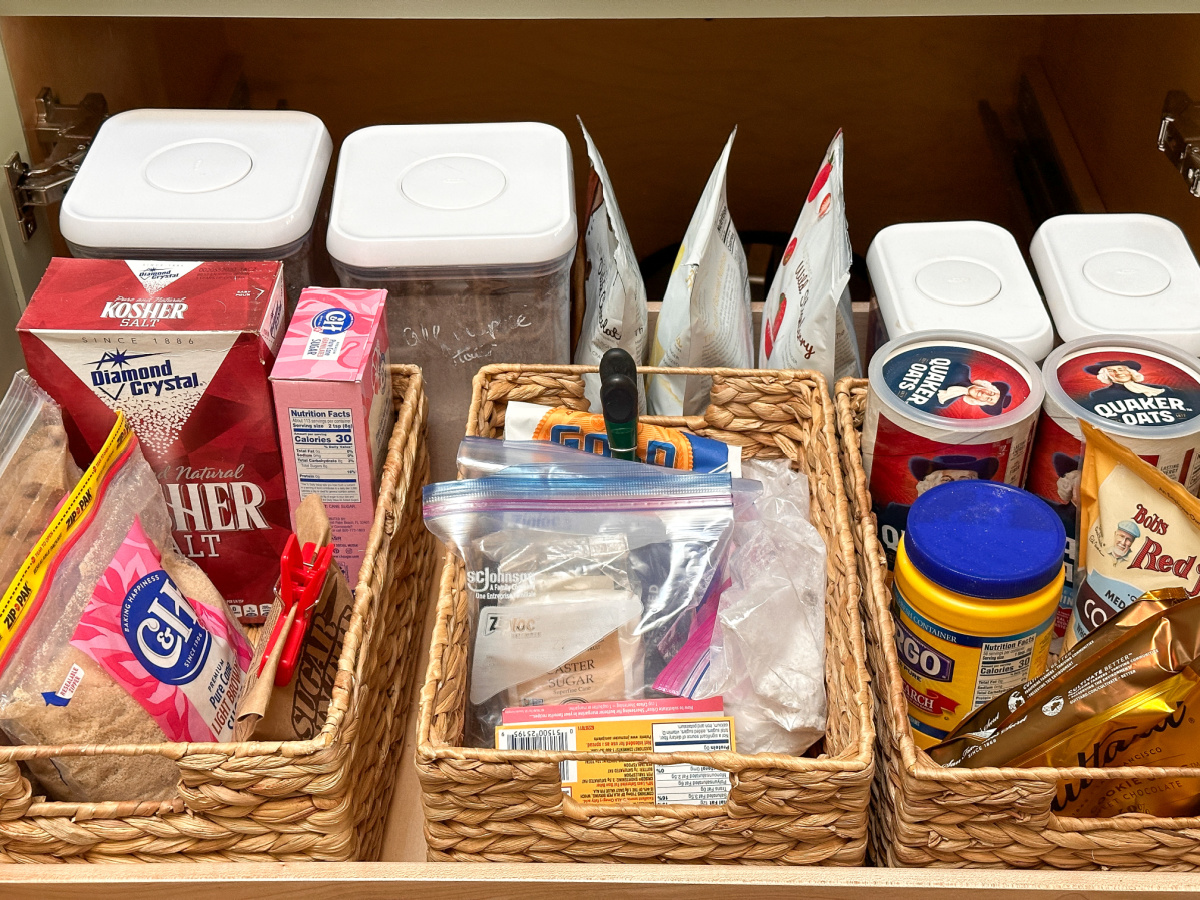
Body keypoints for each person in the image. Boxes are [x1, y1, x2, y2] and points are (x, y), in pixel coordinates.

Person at [927, 359, 1013, 417]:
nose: (984, 394)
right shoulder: (962, 369)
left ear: (981, 403)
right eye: (991, 393)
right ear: (988, 387)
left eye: (988, 399)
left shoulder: (944, 402)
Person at [1085, 360, 1168, 404]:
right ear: (1106, 376)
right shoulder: (1099, 394)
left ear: (1130, 372)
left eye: (1121, 369)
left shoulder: (1160, 389)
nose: (1118, 373)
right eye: (1111, 371)